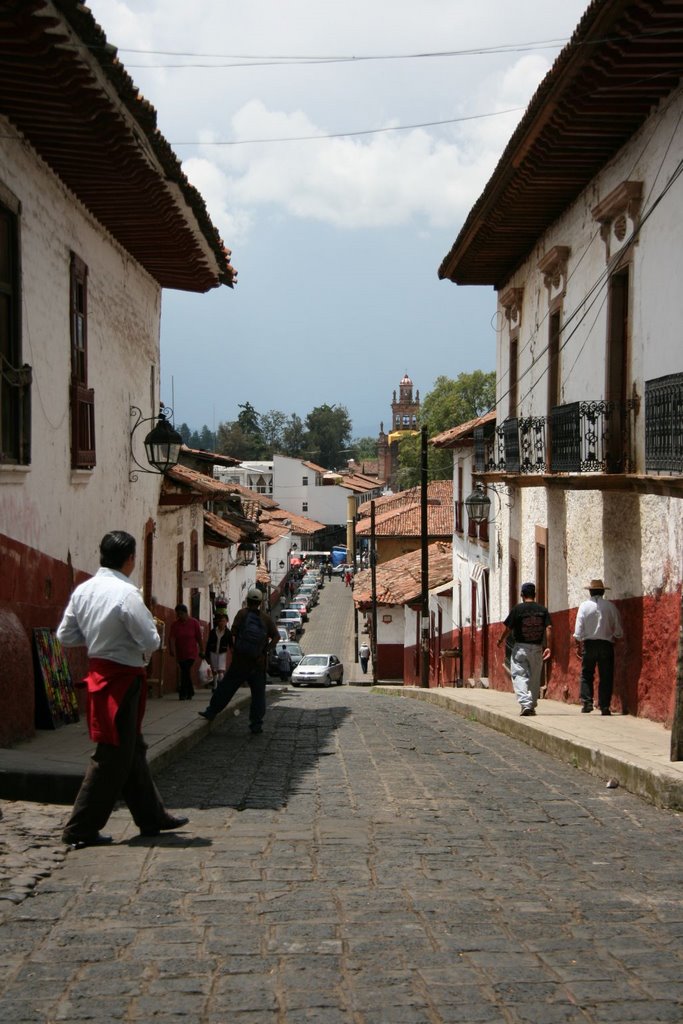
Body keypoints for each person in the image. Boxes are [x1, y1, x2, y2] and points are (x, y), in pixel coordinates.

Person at [56, 531, 188, 848]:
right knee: (112, 754)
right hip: (124, 678)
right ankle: (80, 826)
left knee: (131, 748)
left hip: (99, 673)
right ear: (130, 559)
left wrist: (98, 639)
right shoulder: (126, 594)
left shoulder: (83, 590)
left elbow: (66, 635)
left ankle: (152, 815)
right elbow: (150, 640)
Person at [198, 588, 280, 734]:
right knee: (258, 695)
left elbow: (233, 633)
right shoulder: (266, 619)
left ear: (248, 601)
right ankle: (256, 724)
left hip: (241, 661)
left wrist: (237, 649)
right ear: (260, 603)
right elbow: (276, 637)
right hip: (258, 663)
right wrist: (264, 650)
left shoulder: (242, 614)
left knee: (226, 688)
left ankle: (212, 711)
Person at [498, 582, 552, 716]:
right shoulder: (543, 610)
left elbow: (508, 628)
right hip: (537, 648)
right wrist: (548, 646)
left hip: (521, 647)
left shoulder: (517, 609)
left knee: (519, 675)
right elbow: (549, 628)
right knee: (535, 677)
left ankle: (525, 704)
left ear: (522, 595)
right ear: (534, 594)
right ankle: (531, 704)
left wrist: (500, 640)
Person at [573, 578, 623, 715]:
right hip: (606, 644)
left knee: (587, 674)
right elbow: (618, 631)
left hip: (589, 644)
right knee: (606, 675)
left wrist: (578, 645)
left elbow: (578, 630)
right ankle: (605, 706)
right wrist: (614, 640)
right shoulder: (611, 607)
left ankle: (587, 703)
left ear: (590, 592)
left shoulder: (584, 606)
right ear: (602, 592)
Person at [168, 604, 202, 700]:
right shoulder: (175, 625)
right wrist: (171, 649)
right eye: (178, 614)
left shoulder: (194, 623)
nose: (179, 616)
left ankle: (183, 693)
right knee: (185, 671)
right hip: (181, 653)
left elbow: (199, 637)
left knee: (185, 671)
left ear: (186, 613)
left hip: (191, 652)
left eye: (181, 614)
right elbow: (171, 638)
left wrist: (202, 650)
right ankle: (190, 691)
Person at [203, 612, 232, 689]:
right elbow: (209, 643)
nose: (222, 623)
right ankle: (215, 686)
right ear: (218, 622)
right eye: (221, 621)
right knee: (214, 669)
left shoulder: (228, 633)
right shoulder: (213, 631)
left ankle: (220, 686)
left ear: (226, 622)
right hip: (213, 652)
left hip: (222, 653)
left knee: (221, 670)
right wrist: (206, 654)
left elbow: (231, 644)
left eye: (224, 621)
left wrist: (233, 652)